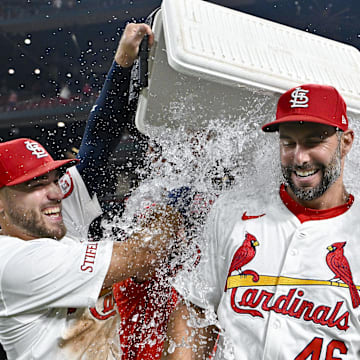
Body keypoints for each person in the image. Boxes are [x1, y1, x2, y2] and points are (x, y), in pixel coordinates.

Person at [0, 23, 181, 360]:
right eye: (33, 185)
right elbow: (144, 254)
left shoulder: (45, 214)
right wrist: (177, 199)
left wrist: (122, 63)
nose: (53, 192)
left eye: (51, 178)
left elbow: (97, 144)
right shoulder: (11, 261)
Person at [161, 84, 360, 359]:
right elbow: (195, 307)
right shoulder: (233, 212)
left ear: (346, 142)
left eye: (314, 142)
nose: (300, 158)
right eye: (289, 143)